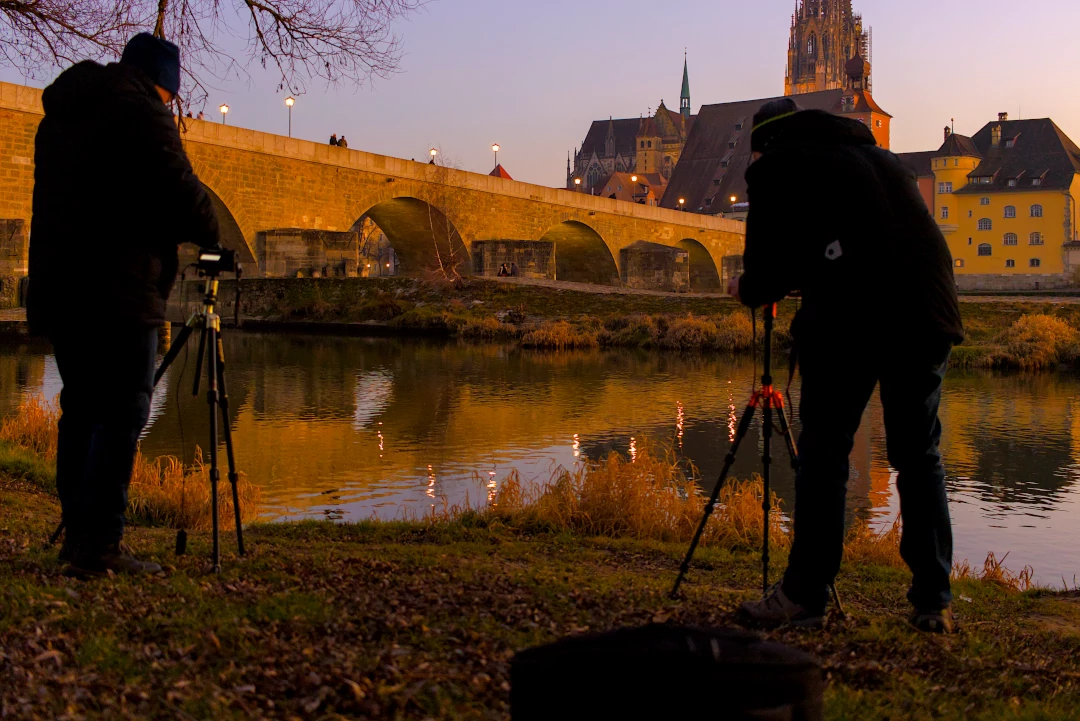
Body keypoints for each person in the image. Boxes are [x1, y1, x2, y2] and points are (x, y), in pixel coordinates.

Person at [732, 99, 964, 633]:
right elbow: (864, 237)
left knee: (824, 455)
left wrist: (747, 289)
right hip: (929, 311)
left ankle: (804, 595)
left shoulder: (777, 165)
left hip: (855, 318)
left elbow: (765, 273)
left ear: (762, 145)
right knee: (918, 455)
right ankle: (934, 600)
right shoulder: (882, 160)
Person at [27, 32, 221, 578]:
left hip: (62, 289)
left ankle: (79, 538)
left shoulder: (59, 118)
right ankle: (100, 543)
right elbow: (181, 190)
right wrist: (209, 237)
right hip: (119, 289)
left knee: (82, 409)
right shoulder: (142, 112)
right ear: (166, 86)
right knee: (123, 412)